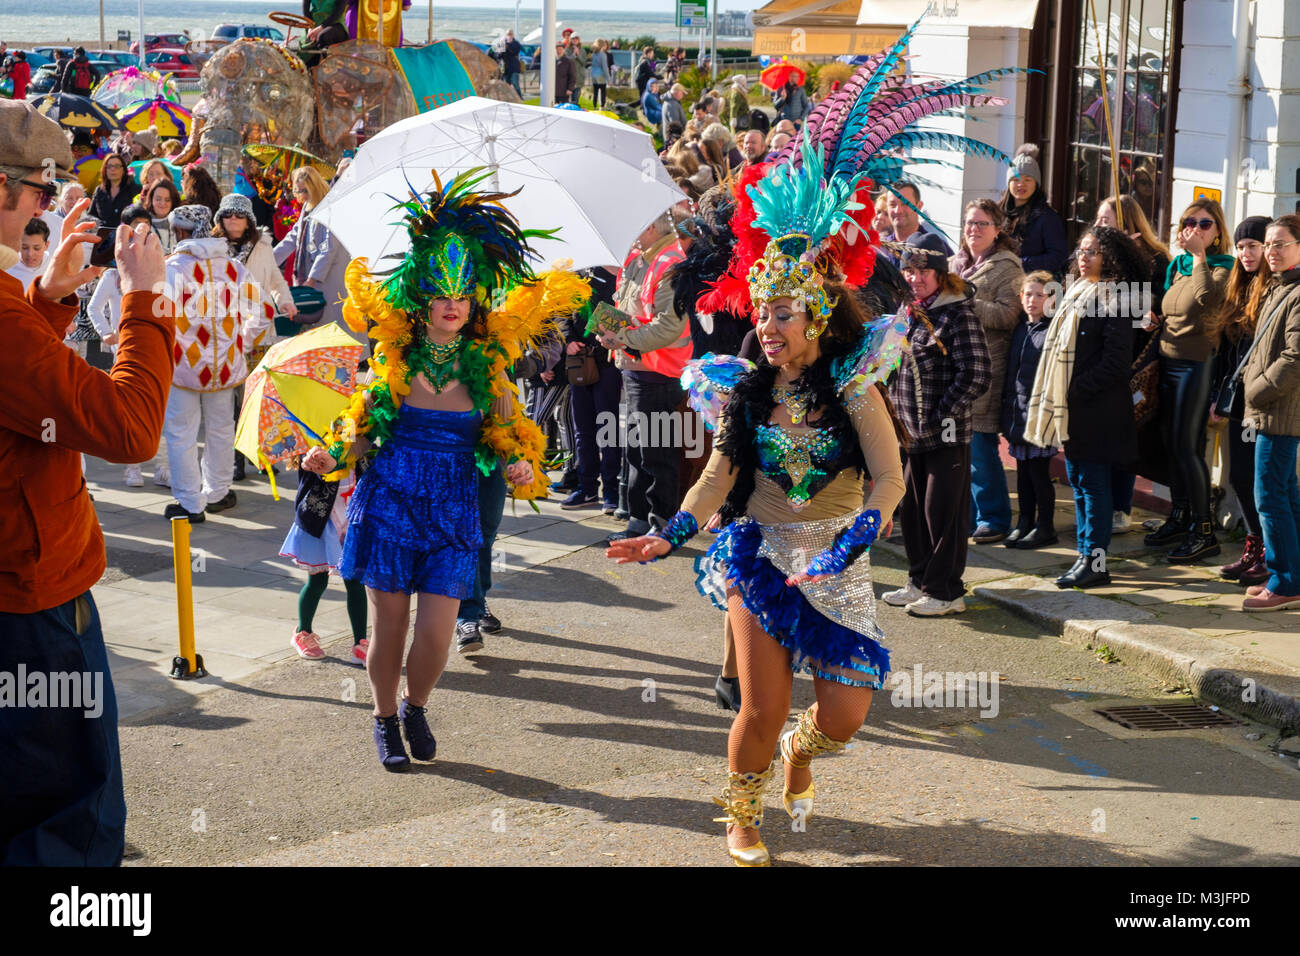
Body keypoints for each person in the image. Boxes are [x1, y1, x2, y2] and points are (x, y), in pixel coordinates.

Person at [607, 134, 908, 867]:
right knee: (760, 706)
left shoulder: (853, 388)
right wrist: (670, 533)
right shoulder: (743, 392)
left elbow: (890, 477)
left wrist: (858, 535)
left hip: (838, 558)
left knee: (843, 716)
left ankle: (803, 755)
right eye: (762, 315)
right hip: (761, 554)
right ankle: (742, 818)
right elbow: (716, 477)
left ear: (816, 320)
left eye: (781, 317)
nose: (766, 329)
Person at [302, 170, 589, 771]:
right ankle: (382, 717)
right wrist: (333, 458)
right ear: (422, 296)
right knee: (390, 627)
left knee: (436, 632)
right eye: (441, 292)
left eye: (462, 294)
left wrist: (517, 466)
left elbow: (514, 440)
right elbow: (364, 429)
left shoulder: (491, 367)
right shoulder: (394, 360)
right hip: (390, 504)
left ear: (474, 299)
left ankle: (416, 705)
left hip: (455, 506)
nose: (453, 304)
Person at [0, 100, 175, 866]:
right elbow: (131, 431)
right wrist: (146, 302)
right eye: (38, 191)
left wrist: (47, 298)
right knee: (67, 813)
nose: (47, 205)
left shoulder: (13, 307)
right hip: (31, 602)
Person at [1025, 227, 1144, 588]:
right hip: (1074, 407)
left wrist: (1075, 390)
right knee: (1077, 480)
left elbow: (1116, 363)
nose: (1083, 256)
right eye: (1082, 249)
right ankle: (1083, 555)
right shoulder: (1076, 291)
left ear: (1110, 257)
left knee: (1093, 484)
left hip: (1098, 409)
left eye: (1092, 251)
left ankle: (1096, 561)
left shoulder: (1116, 299)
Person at [884, 234, 991, 616]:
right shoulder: (909, 312)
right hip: (909, 435)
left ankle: (946, 591)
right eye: (909, 270)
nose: (915, 278)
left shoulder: (958, 313)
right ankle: (919, 580)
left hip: (945, 435)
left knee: (941, 514)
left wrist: (941, 413)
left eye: (923, 270)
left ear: (941, 274)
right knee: (911, 512)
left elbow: (977, 373)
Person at [160, 204, 273, 522]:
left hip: (183, 367)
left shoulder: (173, 268)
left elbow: (159, 315)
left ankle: (190, 503)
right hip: (225, 367)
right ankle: (219, 493)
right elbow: (264, 310)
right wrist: (242, 342)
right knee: (222, 430)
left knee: (182, 432)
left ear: (180, 231)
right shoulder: (233, 268)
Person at [1145, 199, 1233, 562]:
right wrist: (1154, 318)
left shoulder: (1224, 267)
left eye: (1205, 224)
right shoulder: (1177, 265)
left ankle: (1204, 530)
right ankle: (1180, 514)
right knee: (1170, 444)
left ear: (1217, 232)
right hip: (1167, 361)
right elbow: (1174, 309)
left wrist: (1199, 258)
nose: (1195, 229)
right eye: (1189, 222)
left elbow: (1207, 300)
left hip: (1196, 365)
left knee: (1186, 446)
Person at [600, 209, 691, 542]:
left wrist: (620, 337)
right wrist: (609, 330)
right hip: (638, 370)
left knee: (656, 453)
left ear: (651, 225)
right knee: (640, 451)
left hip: (657, 372)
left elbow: (668, 326)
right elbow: (630, 310)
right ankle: (641, 520)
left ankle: (661, 523)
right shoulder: (643, 257)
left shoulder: (669, 262)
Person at [1094, 193, 1170, 533]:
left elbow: (1152, 303)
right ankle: (1102, 508)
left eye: (1105, 221)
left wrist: (1129, 258)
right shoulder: (1097, 257)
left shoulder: (1153, 259)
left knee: (1125, 437)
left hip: (1135, 362)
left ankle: (1121, 510)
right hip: (1100, 356)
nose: (1098, 226)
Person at [952, 198, 1024, 544]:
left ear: (997, 230)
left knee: (980, 447)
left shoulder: (1007, 268)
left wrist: (966, 299)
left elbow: (1010, 315)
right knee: (956, 448)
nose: (973, 230)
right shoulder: (957, 263)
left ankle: (994, 517)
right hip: (953, 368)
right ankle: (964, 516)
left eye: (981, 224)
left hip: (987, 367)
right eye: (969, 223)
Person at [1239, 215, 1300, 611]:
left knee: (1269, 497)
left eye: (1281, 244)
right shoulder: (1279, 287)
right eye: (1269, 244)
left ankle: (1285, 583)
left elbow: (1294, 358)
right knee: (1286, 495)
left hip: (1278, 412)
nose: (1271, 252)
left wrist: (1256, 391)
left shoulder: (1296, 293)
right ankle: (1292, 576)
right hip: (1271, 410)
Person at [1212, 216, 1271, 586]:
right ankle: (1253, 546)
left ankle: (1267, 551)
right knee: (1239, 475)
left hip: (1260, 402)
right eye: (1241, 246)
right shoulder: (1239, 287)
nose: (1246, 253)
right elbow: (1226, 352)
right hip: (1235, 400)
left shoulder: (1273, 291)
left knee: (1256, 479)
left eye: (1253, 245)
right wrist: (1217, 397)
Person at [280, 459, 370, 663]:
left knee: (355, 581)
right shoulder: (311, 446)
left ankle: (360, 642)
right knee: (318, 580)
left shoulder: (359, 440)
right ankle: (303, 631)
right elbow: (309, 471)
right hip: (320, 522)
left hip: (352, 519)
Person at [1002, 271, 1059, 548]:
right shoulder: (1021, 329)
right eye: (1028, 294)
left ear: (1050, 298)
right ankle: (1024, 521)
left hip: (1040, 416)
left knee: (1038, 473)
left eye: (1039, 294)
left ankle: (1045, 525)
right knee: (1022, 472)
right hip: (1017, 413)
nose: (1032, 300)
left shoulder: (1052, 331)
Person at [274, 166, 345, 333]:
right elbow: (292, 238)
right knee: (317, 331)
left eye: (304, 190)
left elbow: (329, 249)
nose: (300, 195)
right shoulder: (307, 206)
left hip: (328, 281)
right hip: (310, 279)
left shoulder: (330, 207)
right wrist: (267, 261)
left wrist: (312, 280)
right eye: (297, 191)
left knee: (334, 331)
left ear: (314, 186)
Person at [1002, 144, 1070, 277]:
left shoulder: (1048, 218)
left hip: (1033, 284)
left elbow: (1058, 257)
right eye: (1016, 179)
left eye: (1028, 179)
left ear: (1036, 184)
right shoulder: (997, 212)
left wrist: (1020, 263)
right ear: (1008, 183)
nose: (1021, 184)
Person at [883, 182, 953, 265]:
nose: (898, 211)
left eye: (905, 203)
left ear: (919, 206)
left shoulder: (935, 247)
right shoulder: (881, 249)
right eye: (892, 205)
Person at [89, 153, 139, 234]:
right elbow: (91, 214)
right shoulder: (99, 190)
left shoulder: (133, 189)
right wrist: (96, 222)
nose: (113, 169)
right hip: (103, 237)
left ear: (123, 170)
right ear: (105, 170)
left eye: (117, 166)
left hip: (126, 235)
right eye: (109, 166)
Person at [4, 216, 48, 288]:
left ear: (46, 245)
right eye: (24, 248)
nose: (30, 254)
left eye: (36, 248)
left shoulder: (53, 266)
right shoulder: (7, 269)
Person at [141, 177, 181, 253]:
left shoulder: (179, 224)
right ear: (151, 199)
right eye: (158, 199)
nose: (162, 203)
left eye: (167, 200)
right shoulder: (142, 223)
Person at [589, 38, 610, 107]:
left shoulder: (594, 53)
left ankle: (594, 106)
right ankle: (602, 106)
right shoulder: (603, 54)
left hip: (593, 74)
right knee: (603, 91)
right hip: (601, 75)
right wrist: (608, 79)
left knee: (595, 92)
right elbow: (605, 67)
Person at [501, 29, 522, 96]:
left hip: (514, 67)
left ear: (513, 35)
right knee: (506, 86)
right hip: (506, 68)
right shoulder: (502, 43)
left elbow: (514, 52)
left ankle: (519, 97)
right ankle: (507, 99)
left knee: (515, 83)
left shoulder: (516, 43)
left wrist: (507, 46)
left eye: (510, 34)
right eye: (508, 34)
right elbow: (499, 54)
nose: (509, 35)